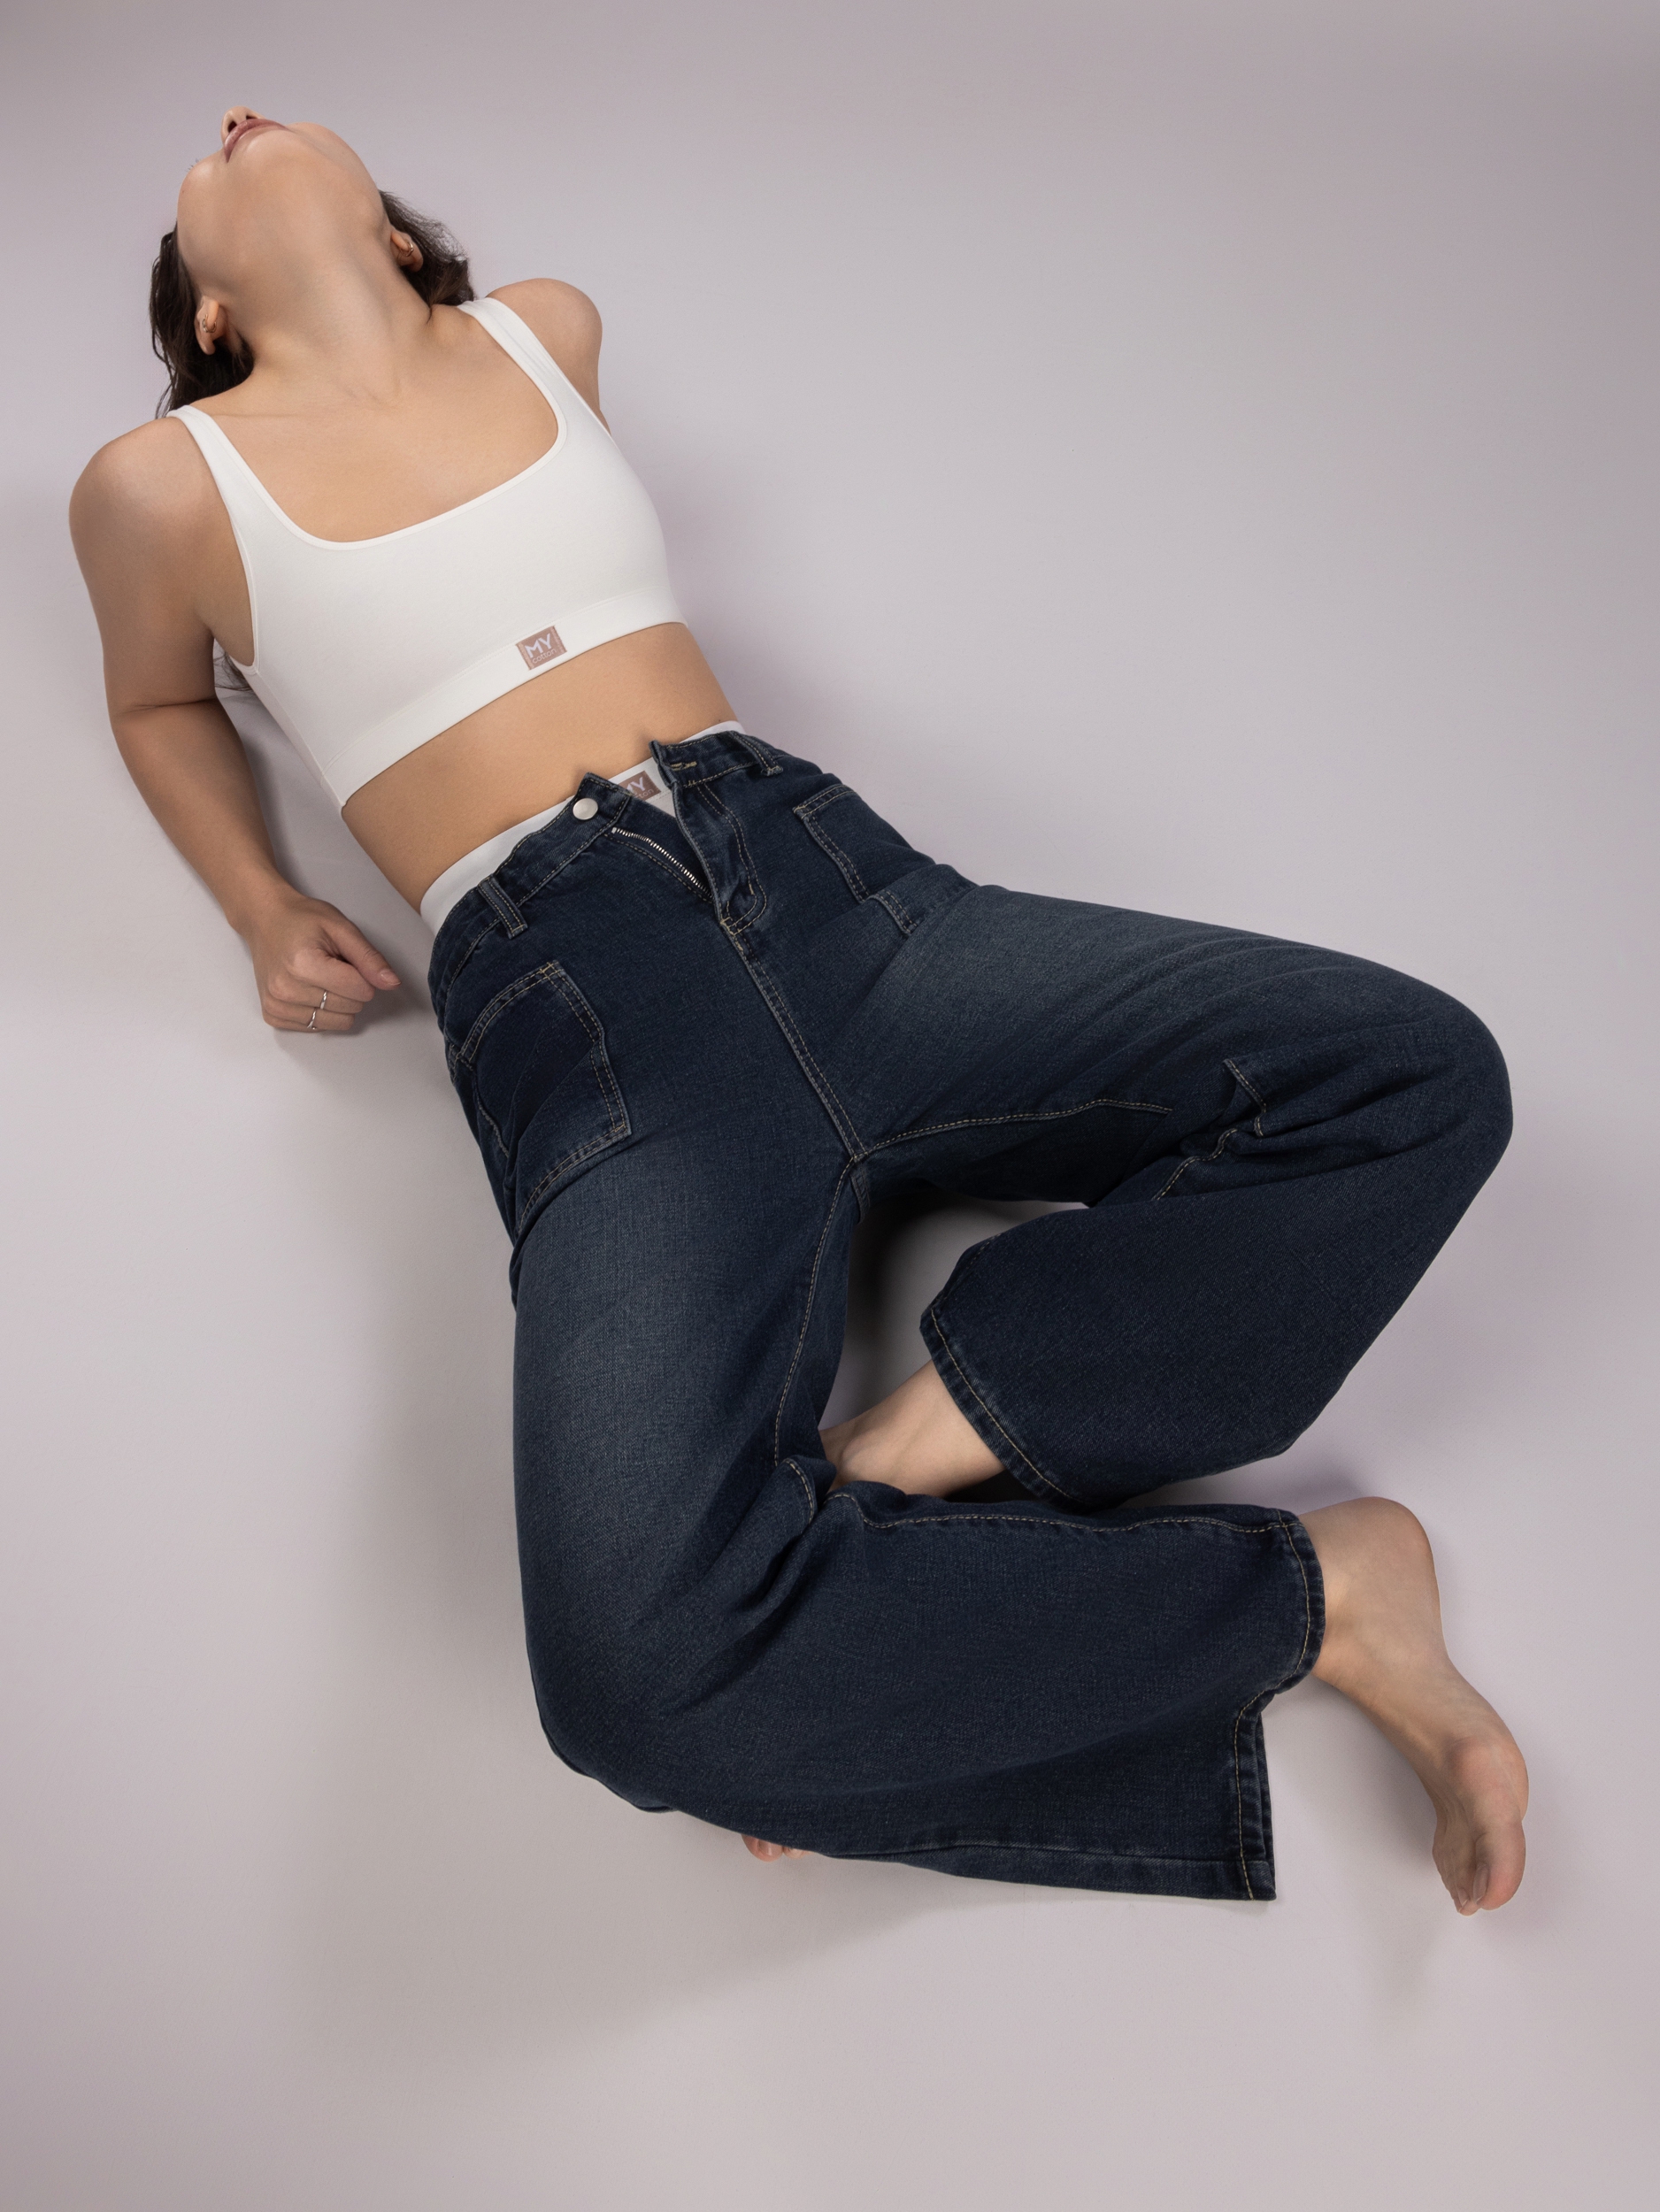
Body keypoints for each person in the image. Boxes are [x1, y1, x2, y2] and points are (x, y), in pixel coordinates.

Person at [70, 107, 1527, 1911]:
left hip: (841, 900)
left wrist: (914, 1446)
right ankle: (1322, 1598)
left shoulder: (544, 330)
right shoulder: (163, 482)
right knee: (635, 1688)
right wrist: (259, 901)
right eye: (199, 166)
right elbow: (157, 704)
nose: (230, 117)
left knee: (1410, 1074)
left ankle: (910, 1462)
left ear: (396, 235)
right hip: (595, 1025)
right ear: (208, 315)